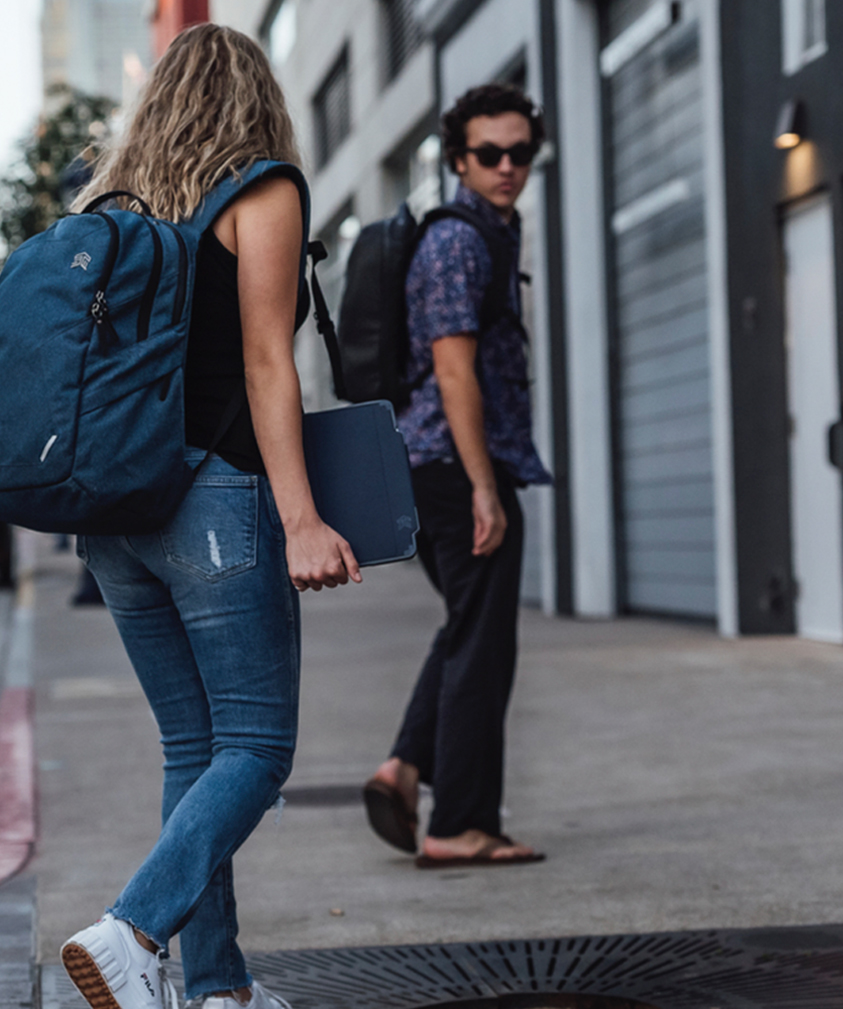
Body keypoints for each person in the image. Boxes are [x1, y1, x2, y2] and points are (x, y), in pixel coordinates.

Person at [58, 24, 361, 1009]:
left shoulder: (114, 208)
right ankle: (130, 928)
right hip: (213, 505)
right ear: (256, 96)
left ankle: (215, 988)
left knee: (195, 754)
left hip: (113, 516)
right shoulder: (258, 189)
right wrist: (303, 516)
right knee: (258, 749)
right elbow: (268, 364)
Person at [362, 83, 552, 869]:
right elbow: (452, 370)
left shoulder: (488, 232)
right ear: (458, 160)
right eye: (488, 154)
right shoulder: (459, 243)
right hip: (454, 468)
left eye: (520, 151)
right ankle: (460, 822)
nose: (507, 166)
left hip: (447, 465)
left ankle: (404, 767)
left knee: (468, 631)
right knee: (484, 645)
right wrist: (483, 486)